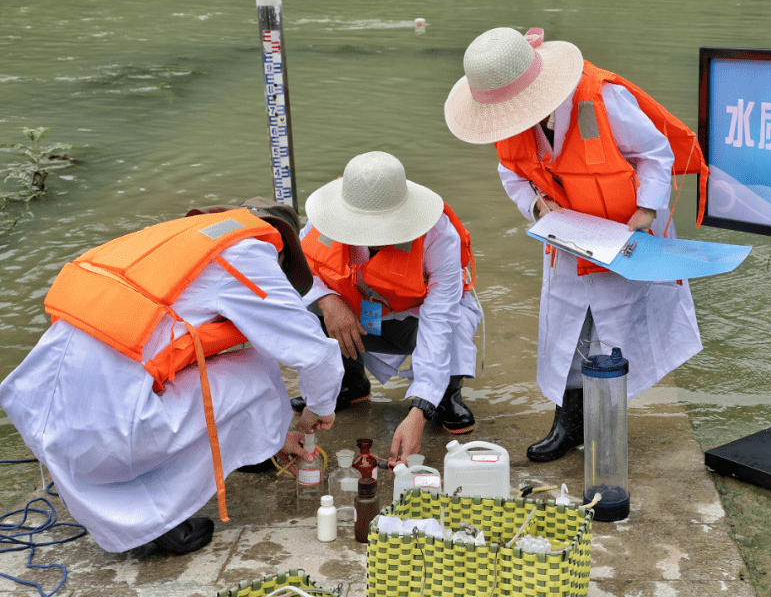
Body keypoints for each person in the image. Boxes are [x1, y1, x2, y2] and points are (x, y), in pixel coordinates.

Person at [0, 198, 344, 555]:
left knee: (201, 364)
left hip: (45, 418)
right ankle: (154, 521)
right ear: (281, 251)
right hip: (107, 438)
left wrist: (273, 436)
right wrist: (318, 408)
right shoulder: (248, 252)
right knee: (259, 371)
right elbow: (315, 354)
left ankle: (253, 448)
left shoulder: (171, 245)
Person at [444, 27, 708, 462]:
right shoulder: (506, 124)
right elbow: (512, 173)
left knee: (617, 334)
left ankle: (606, 429)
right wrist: (536, 207)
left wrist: (645, 212)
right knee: (565, 332)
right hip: (568, 236)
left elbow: (656, 154)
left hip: (627, 231)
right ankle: (566, 424)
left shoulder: (602, 99)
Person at [290, 151, 482, 467]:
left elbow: (439, 321)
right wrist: (328, 301)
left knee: (457, 318)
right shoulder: (325, 219)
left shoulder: (438, 234)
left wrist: (419, 408)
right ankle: (349, 384)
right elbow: (299, 270)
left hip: (416, 316)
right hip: (359, 309)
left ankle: (444, 396)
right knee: (306, 308)